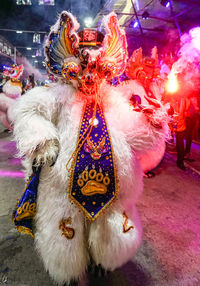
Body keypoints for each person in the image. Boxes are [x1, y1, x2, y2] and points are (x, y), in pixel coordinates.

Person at [13, 11, 169, 286]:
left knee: (105, 228)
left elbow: (133, 132)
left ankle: (101, 260)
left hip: (111, 185)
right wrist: (41, 137)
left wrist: (152, 124)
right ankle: (71, 271)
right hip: (63, 184)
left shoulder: (114, 100)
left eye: (97, 67)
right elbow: (28, 112)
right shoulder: (56, 96)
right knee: (67, 229)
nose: (89, 75)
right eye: (82, 66)